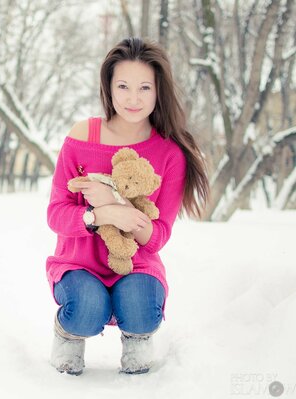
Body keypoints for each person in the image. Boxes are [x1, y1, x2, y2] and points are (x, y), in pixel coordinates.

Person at [45, 37, 209, 376]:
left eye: (144, 88)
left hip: (135, 265)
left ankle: (137, 336)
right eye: (123, 86)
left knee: (141, 306)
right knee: (87, 307)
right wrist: (100, 215)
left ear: (158, 90)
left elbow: (158, 235)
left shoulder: (169, 153)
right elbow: (56, 213)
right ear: (108, 87)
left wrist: (121, 207)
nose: (133, 99)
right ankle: (69, 332)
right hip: (78, 263)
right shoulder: (83, 135)